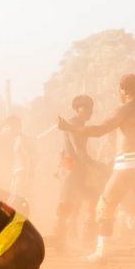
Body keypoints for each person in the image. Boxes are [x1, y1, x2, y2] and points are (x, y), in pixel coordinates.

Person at [58, 74, 135, 266]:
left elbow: (100, 129)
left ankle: (101, 253)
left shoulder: (124, 110)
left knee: (105, 206)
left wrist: (70, 128)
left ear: (123, 90)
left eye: (119, 88)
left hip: (127, 164)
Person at [53, 95, 107, 250]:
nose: (90, 111)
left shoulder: (77, 124)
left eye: (91, 108)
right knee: (66, 205)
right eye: (86, 108)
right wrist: (101, 166)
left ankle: (86, 238)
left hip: (77, 170)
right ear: (77, 109)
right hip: (72, 170)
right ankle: (60, 241)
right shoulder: (73, 124)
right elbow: (79, 153)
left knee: (91, 201)